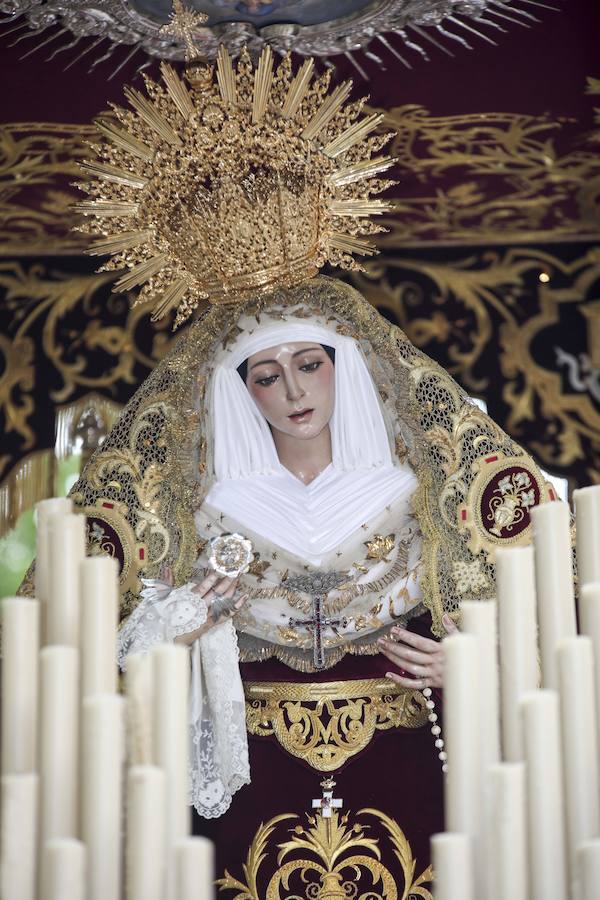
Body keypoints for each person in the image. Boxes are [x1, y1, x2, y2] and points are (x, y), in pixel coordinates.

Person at [61, 48, 554, 896]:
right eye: (265, 374)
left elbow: (552, 618)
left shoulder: (431, 494)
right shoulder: (196, 513)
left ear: (343, 369)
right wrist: (186, 625)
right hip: (252, 786)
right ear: (238, 392)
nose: (293, 392)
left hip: (409, 770)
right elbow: (86, 657)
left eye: (309, 364)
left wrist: (476, 666)